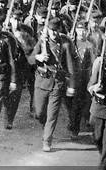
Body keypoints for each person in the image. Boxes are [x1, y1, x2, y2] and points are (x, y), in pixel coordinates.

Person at [33, 18, 77, 152]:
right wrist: (38, 57)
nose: (53, 33)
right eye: (51, 30)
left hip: (57, 82)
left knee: (52, 115)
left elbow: (70, 66)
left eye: (56, 30)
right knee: (40, 113)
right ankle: (45, 127)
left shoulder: (65, 44)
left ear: (59, 30)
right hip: (42, 81)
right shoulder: (42, 41)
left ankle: (47, 140)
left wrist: (71, 86)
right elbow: (30, 58)